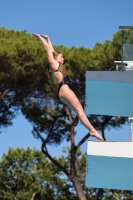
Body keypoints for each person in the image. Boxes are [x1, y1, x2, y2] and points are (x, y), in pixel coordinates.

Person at [33, 33, 104, 141]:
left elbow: (51, 49)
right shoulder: (53, 64)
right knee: (80, 109)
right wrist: (40, 38)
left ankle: (92, 130)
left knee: (79, 110)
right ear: (56, 58)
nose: (63, 58)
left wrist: (48, 38)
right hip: (64, 89)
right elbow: (47, 49)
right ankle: (92, 130)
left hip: (63, 90)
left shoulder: (57, 64)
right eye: (61, 57)